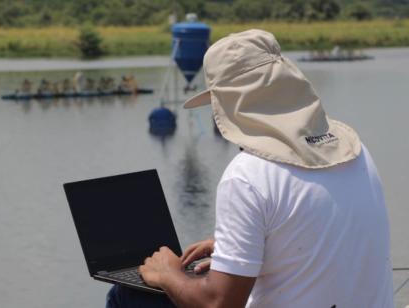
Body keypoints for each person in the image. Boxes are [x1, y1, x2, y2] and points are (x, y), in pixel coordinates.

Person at [106, 29, 393, 307]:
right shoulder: (351, 149)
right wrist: (238, 246)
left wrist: (168, 274)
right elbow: (318, 226)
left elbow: (219, 304)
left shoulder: (247, 175)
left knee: (128, 294)